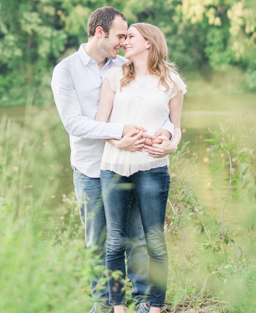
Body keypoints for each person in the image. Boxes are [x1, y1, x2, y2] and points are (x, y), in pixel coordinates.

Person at [51, 7, 175, 313]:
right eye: (120, 35)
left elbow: (160, 109)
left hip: (128, 165)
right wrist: (119, 131)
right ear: (99, 33)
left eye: (127, 36)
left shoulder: (126, 66)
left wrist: (166, 135)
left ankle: (144, 300)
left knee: (135, 237)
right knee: (99, 239)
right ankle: (103, 304)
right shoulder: (65, 71)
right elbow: (74, 124)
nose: (123, 41)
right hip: (91, 167)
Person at [96, 23, 185, 313]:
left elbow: (177, 126)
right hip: (114, 165)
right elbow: (100, 124)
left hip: (153, 167)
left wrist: (171, 142)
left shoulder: (172, 82)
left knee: (155, 241)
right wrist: (118, 141)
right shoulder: (114, 77)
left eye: (130, 37)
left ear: (149, 43)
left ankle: (155, 308)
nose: (124, 42)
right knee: (115, 241)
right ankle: (119, 308)